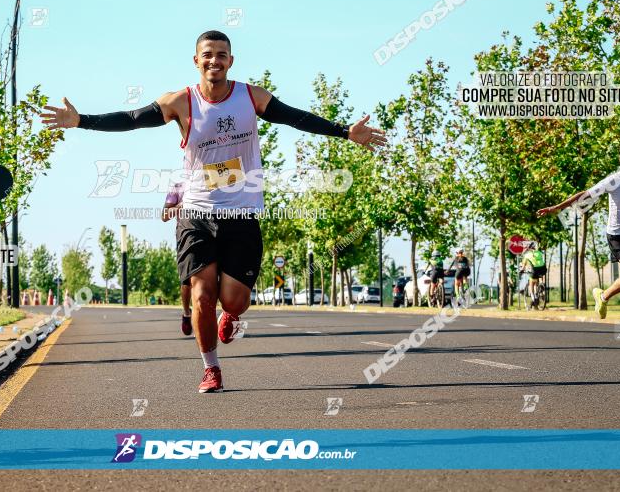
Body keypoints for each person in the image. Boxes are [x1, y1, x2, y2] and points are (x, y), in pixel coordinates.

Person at [41, 30, 385, 393]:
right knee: (202, 295)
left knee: (234, 299)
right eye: (207, 54)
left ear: (230, 61)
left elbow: (294, 118)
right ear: (196, 60)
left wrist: (345, 132)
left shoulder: (250, 97)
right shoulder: (181, 102)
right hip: (197, 214)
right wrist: (81, 121)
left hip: (242, 213)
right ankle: (211, 368)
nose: (214, 61)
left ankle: (232, 316)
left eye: (222, 55)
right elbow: (132, 118)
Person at [538, 144, 620, 337]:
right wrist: (557, 207)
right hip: (617, 236)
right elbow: (585, 194)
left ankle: (603, 296)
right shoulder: (614, 181)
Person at [162, 180, 192, 336]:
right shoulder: (177, 187)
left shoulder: (212, 180)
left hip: (212, 232)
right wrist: (183, 205)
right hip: (186, 234)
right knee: (187, 280)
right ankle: (186, 312)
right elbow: (165, 216)